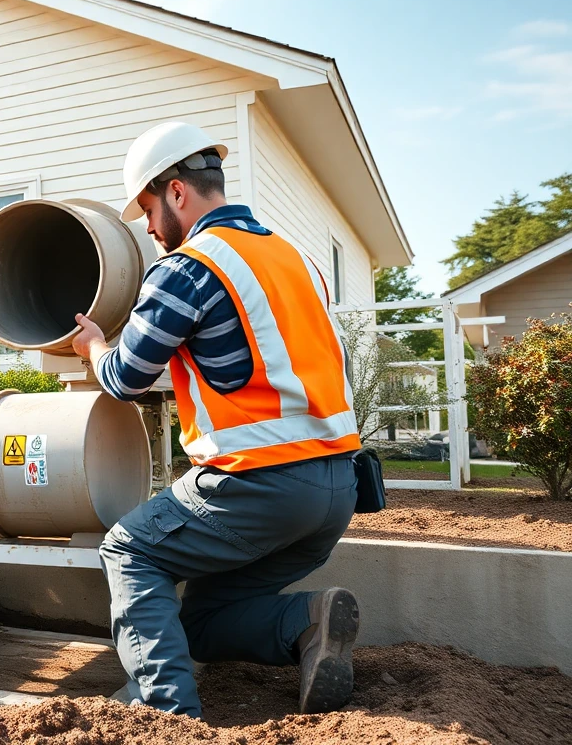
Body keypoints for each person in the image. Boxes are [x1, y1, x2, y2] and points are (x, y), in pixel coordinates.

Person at [71, 121, 362, 719]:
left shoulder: (188, 268)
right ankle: (308, 622)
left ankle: (168, 716)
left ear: (176, 192)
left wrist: (95, 345)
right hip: (337, 489)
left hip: (261, 482)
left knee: (129, 551)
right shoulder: (298, 260)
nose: (149, 228)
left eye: (147, 209)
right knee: (200, 623)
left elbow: (125, 378)